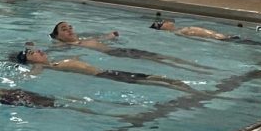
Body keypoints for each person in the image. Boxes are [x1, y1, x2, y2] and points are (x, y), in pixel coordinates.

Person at [49, 21, 203, 71]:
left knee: (160, 57)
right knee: (156, 60)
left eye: (70, 27)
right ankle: (193, 69)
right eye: (64, 29)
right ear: (57, 36)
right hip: (117, 55)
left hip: (121, 50)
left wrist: (111, 36)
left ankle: (195, 67)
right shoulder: (66, 47)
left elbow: (102, 38)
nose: (69, 30)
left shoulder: (84, 39)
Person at [15, 48, 192, 91]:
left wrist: (77, 58)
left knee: (151, 77)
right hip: (105, 76)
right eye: (32, 53)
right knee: (152, 81)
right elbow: (32, 76)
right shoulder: (41, 66)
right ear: (30, 61)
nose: (38, 51)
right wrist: (26, 75)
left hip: (107, 72)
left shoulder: (55, 62)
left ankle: (178, 84)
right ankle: (180, 87)